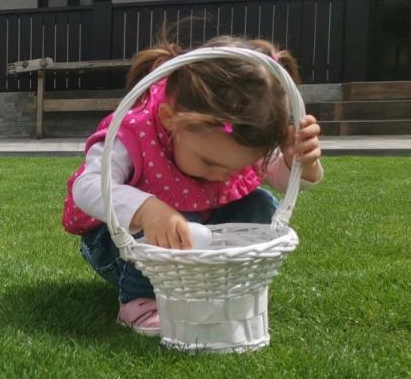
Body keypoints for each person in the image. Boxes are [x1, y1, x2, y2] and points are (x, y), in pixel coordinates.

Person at [61, 35, 324, 335]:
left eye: (235, 168)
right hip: (118, 248)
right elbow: (88, 186)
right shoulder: (132, 133)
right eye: (210, 163)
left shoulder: (237, 136)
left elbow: (278, 178)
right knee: (178, 217)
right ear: (171, 120)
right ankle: (141, 301)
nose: (222, 177)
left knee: (261, 203)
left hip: (196, 238)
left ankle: (223, 283)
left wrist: (300, 162)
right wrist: (147, 210)